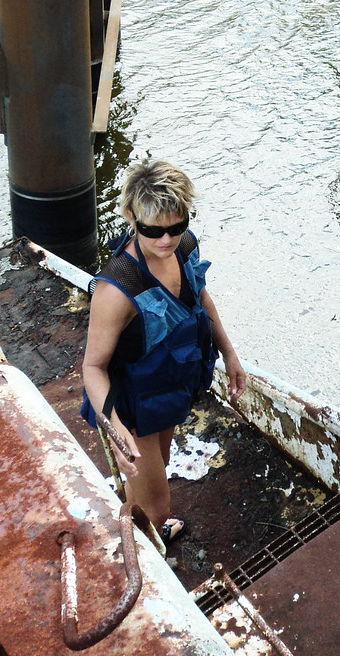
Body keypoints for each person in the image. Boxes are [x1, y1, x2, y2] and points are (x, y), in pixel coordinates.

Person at [81, 158, 246, 546]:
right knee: (156, 506)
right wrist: (116, 428)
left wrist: (230, 353)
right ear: (129, 217)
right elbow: (92, 367)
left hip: (170, 386)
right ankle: (147, 551)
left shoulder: (184, 248)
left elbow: (201, 297)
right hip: (134, 402)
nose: (165, 241)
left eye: (175, 227)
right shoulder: (116, 291)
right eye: (152, 230)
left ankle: (135, 513)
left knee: (161, 462)